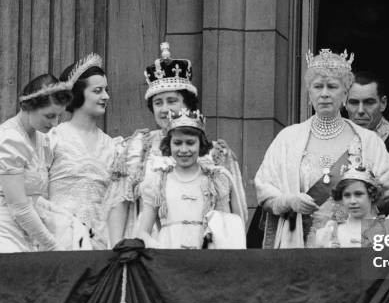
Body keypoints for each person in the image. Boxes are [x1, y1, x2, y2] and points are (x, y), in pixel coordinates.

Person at [254, 49, 389, 248]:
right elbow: (264, 190)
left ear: (345, 93)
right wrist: (289, 201)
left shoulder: (368, 141)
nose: (324, 94)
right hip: (299, 243)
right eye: (317, 87)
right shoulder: (287, 139)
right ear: (309, 91)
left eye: (332, 86)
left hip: (354, 244)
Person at [107, 42, 247, 244]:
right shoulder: (137, 147)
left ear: (187, 104)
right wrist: (116, 248)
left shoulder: (214, 153)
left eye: (172, 101)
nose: (165, 109)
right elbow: (119, 203)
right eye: (158, 102)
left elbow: (232, 216)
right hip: (149, 247)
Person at [136, 109, 245, 249]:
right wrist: (161, 250)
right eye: (177, 143)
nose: (183, 149)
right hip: (168, 259)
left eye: (190, 143)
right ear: (169, 144)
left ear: (201, 144)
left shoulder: (215, 180)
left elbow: (226, 229)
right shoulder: (158, 180)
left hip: (205, 261)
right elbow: (142, 233)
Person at [46, 54, 120, 250]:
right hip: (58, 243)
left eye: (106, 90)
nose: (106, 96)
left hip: (98, 246)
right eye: (98, 91)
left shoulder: (112, 146)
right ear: (77, 94)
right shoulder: (53, 138)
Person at [0, 74, 72, 252]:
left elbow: (35, 197)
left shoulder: (42, 137)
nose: (55, 123)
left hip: (31, 230)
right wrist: (53, 246)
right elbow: (20, 208)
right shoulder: (10, 140)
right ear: (28, 107)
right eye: (49, 116)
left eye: (58, 116)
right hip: (5, 231)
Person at [315, 162, 385, 248]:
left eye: (358, 194)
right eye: (347, 195)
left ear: (372, 195)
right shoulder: (330, 232)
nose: (352, 201)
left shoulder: (386, 229)